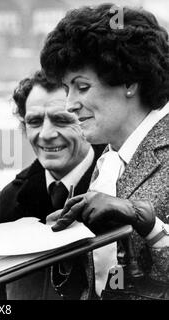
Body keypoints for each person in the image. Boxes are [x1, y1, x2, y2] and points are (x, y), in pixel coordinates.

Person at [41, 4, 169, 299]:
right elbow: (107, 283)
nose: (69, 103)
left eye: (81, 87)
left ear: (129, 82)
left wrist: (151, 227)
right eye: (66, 89)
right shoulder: (108, 162)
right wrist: (65, 247)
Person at [0, 70, 105, 299]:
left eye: (61, 119)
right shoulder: (10, 198)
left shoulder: (117, 182)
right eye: (34, 121)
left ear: (86, 119)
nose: (46, 134)